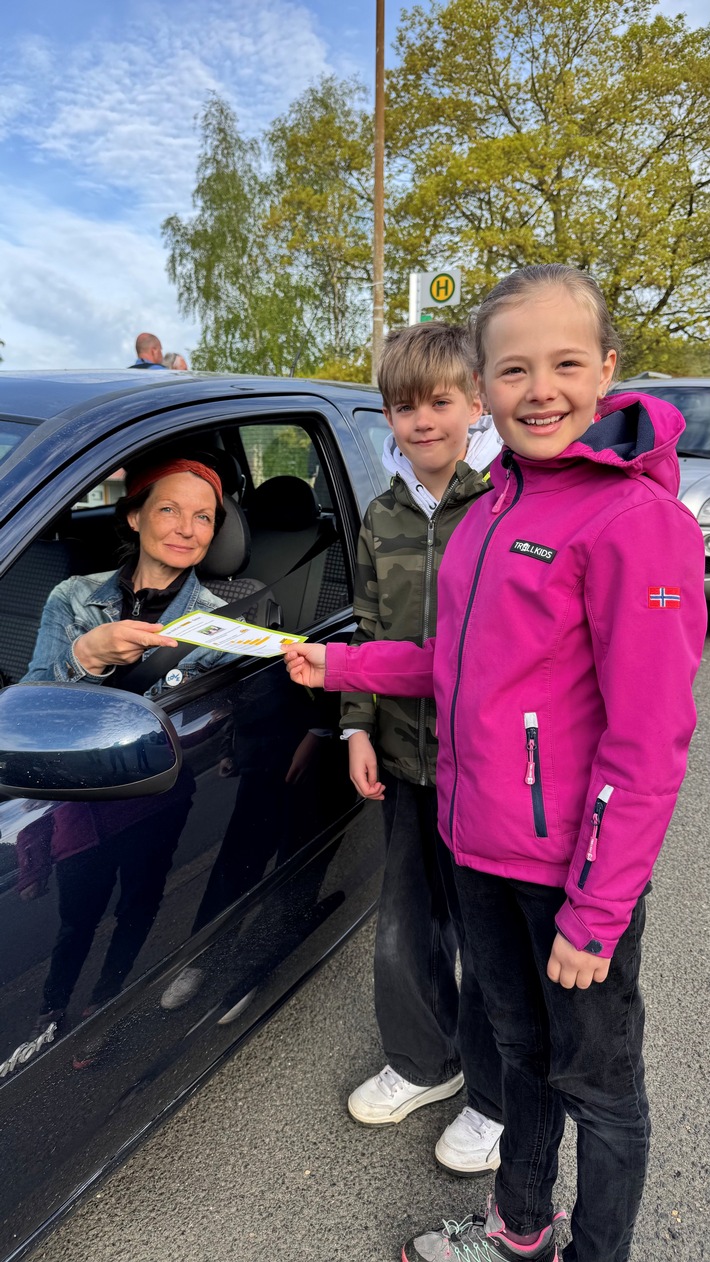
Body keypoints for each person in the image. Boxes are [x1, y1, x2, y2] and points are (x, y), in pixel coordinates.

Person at [283, 264, 707, 1262]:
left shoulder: (633, 520)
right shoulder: (488, 510)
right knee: (516, 1054)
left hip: (568, 875)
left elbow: (647, 738)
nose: (538, 388)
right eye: (513, 367)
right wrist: (338, 662)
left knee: (596, 1088)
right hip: (475, 849)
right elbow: (447, 663)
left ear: (605, 369)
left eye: (564, 362)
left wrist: (596, 908)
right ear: (486, 381)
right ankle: (517, 1230)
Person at [342, 320, 504, 1175]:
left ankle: (497, 1096)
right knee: (407, 925)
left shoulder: (507, 505)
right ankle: (422, 1061)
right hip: (406, 761)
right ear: (388, 419)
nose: (423, 420)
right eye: (404, 407)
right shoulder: (383, 515)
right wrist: (357, 726)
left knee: (492, 940)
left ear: (476, 403)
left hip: (489, 776)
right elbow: (369, 633)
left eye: (440, 401)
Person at [24, 458, 230, 698]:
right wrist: (87, 655)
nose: (186, 530)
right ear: (135, 517)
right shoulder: (72, 596)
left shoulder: (223, 623)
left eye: (203, 517)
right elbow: (27, 703)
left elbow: (242, 717)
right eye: (168, 509)